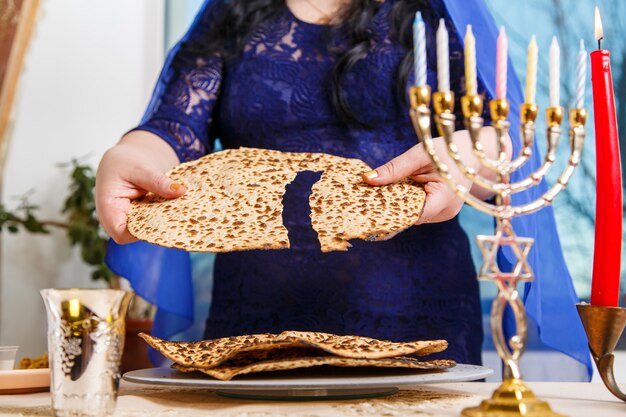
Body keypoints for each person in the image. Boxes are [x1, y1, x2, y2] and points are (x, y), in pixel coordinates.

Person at [97, 0, 591, 373]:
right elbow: (173, 131)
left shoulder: (431, 11)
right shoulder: (232, 11)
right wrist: (130, 158)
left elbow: (497, 139)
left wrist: (472, 157)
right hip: (251, 333)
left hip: (417, 328)